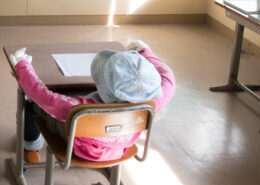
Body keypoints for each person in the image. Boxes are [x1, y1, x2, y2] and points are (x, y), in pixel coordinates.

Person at [10, 41, 175, 163]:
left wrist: (23, 66)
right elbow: (168, 78)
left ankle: (31, 145)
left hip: (80, 148)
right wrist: (145, 52)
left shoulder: (81, 109)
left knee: (32, 106)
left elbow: (44, 97)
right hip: (120, 147)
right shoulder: (151, 104)